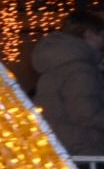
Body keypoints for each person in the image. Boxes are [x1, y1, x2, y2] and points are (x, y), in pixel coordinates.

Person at [33, 10, 104, 155]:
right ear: (89, 34)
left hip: (62, 145)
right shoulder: (80, 69)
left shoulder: (58, 64)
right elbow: (85, 112)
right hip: (83, 146)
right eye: (101, 36)